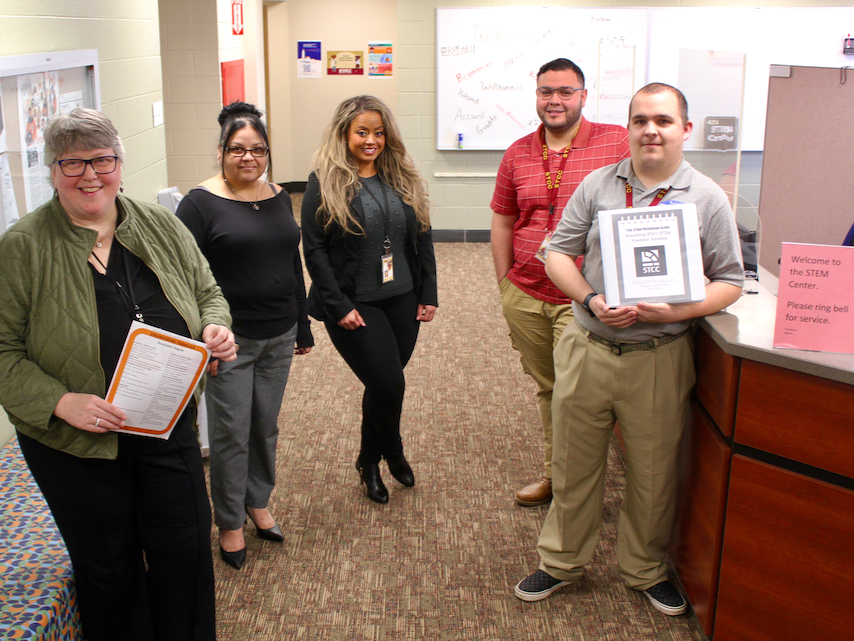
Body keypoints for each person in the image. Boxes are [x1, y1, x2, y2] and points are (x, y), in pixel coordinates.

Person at [0, 108, 236, 640]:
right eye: (72, 162)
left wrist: (216, 329)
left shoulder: (158, 224)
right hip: (75, 444)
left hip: (164, 424)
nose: (89, 175)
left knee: (183, 553)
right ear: (53, 171)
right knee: (111, 569)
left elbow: (208, 294)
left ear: (120, 164)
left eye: (101, 159)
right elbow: (3, 351)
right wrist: (62, 402)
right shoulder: (23, 247)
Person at [513, 84, 744, 616]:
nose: (650, 130)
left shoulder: (706, 197)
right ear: (629, 128)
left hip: (659, 354)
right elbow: (557, 254)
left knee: (653, 470)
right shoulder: (598, 185)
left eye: (663, 120)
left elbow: (730, 281)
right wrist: (590, 298)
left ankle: (643, 569)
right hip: (588, 345)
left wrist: (678, 311)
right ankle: (562, 561)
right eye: (640, 120)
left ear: (685, 129)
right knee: (573, 464)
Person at [176, 102, 314, 570]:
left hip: (278, 334)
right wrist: (202, 339)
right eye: (238, 149)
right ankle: (230, 522)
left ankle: (259, 501)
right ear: (221, 152)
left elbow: (290, 263)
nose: (248, 158)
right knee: (232, 433)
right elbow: (183, 278)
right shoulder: (198, 203)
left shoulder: (276, 195)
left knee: (264, 425)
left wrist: (302, 322)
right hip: (230, 341)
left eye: (258, 149)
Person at [490, 58, 629, 507]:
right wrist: (505, 286)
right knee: (549, 388)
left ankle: (580, 488)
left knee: (582, 395)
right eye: (546, 91)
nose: (554, 100)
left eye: (565, 92)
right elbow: (504, 221)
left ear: (583, 97)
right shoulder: (518, 152)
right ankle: (557, 477)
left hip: (585, 295)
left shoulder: (616, 142)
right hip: (527, 291)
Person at [301, 95, 437, 504]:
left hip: (402, 296)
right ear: (345, 133)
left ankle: (367, 460)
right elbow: (314, 249)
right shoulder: (323, 181)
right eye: (362, 132)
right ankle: (391, 452)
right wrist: (338, 305)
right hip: (353, 303)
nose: (371, 140)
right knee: (389, 381)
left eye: (378, 132)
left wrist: (428, 291)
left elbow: (423, 235)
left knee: (382, 386)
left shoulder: (401, 175)